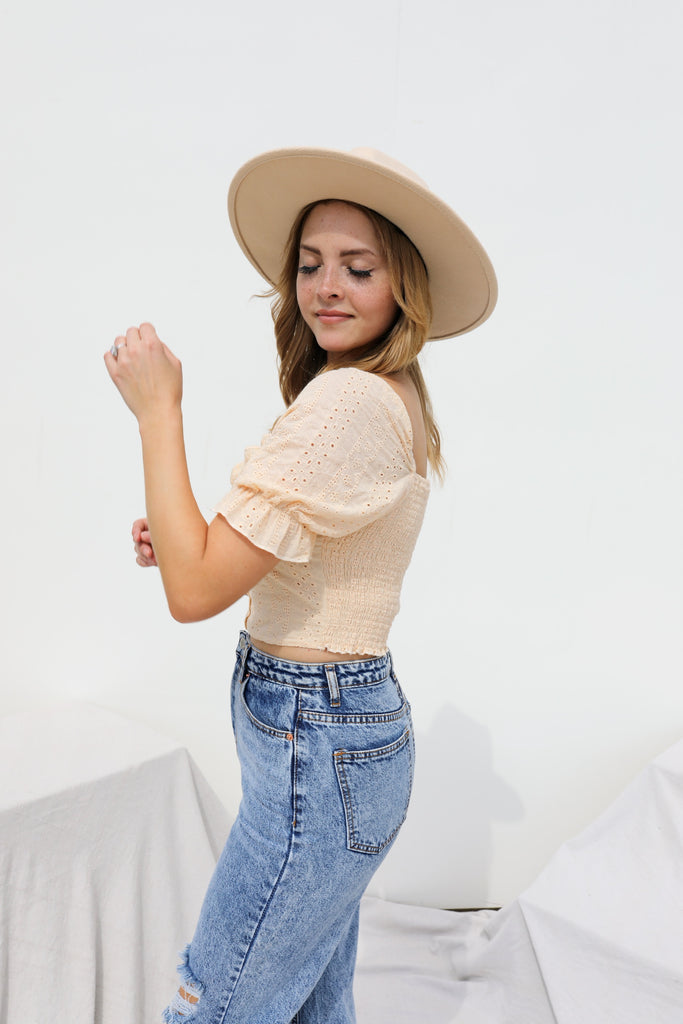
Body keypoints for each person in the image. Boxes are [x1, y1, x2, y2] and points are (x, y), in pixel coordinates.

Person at [104, 146, 496, 1024]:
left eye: (358, 268)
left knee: (213, 1004)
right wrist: (189, 541)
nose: (326, 288)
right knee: (312, 1004)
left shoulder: (348, 402)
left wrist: (158, 409)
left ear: (403, 286)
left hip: (316, 740)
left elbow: (194, 595)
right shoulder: (375, 389)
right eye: (310, 265)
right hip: (330, 736)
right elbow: (265, 551)